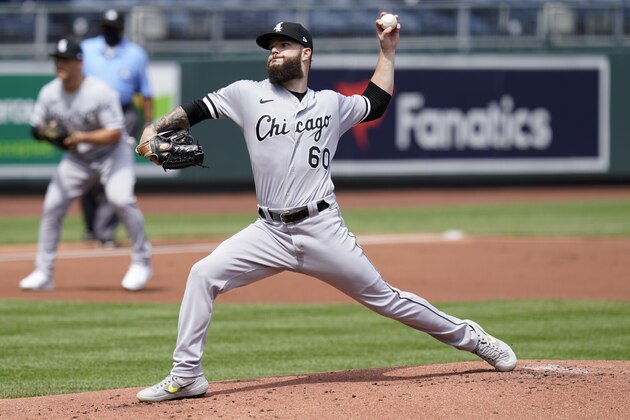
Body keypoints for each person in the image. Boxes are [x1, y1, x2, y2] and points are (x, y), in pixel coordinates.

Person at [135, 15, 517, 402]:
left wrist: (387, 51)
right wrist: (154, 129)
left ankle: (473, 338)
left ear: (306, 53)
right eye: (271, 46)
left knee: (385, 298)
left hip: (322, 228)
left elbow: (376, 103)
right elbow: (196, 110)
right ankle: (186, 376)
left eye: (283, 45)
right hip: (268, 231)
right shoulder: (246, 94)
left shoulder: (331, 104)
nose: (274, 51)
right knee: (203, 274)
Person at [19, 38, 153, 292]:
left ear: (79, 62)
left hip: (113, 153)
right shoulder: (49, 93)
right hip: (79, 159)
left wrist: (81, 137)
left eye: (65, 59)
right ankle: (43, 272)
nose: (59, 64)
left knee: (121, 199)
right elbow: (35, 127)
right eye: (57, 59)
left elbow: (115, 132)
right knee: (52, 206)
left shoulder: (100, 91)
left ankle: (142, 262)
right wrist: (46, 133)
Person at [79, 9, 154, 247]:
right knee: (86, 171)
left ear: (122, 28)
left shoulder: (135, 54)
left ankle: (105, 230)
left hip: (124, 115)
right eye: (106, 26)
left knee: (117, 173)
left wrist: (150, 124)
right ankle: (92, 227)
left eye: (113, 27)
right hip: (89, 117)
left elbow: (146, 92)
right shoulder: (88, 48)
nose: (109, 31)